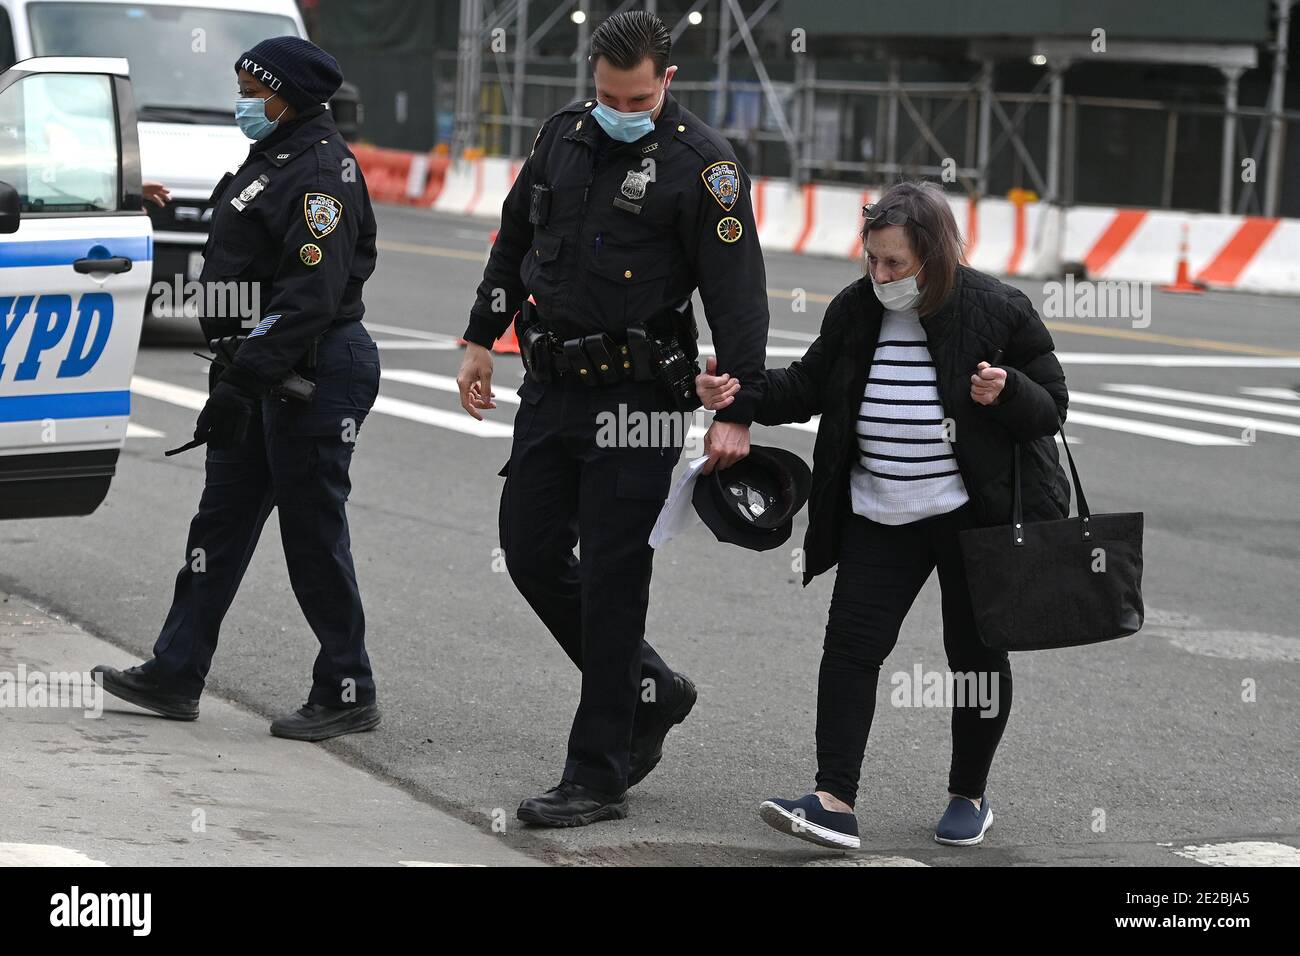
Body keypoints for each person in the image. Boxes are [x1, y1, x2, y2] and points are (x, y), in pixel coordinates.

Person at [456, 10, 768, 826]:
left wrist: (739, 408)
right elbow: (514, 237)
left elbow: (738, 300)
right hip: (553, 389)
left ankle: (597, 773)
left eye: (634, 96)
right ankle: (650, 689)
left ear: (668, 81)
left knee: (613, 580)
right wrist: (480, 336)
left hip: (638, 402)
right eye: (605, 93)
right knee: (527, 550)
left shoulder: (706, 167)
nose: (617, 108)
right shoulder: (563, 134)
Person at [697, 180, 1071, 849]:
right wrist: (736, 394)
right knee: (849, 650)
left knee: (976, 655)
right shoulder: (856, 310)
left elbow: (1052, 407)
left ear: (934, 254)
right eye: (872, 259)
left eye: (895, 263)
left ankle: (969, 795)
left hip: (967, 514)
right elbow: (805, 387)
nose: (881, 274)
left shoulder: (997, 309)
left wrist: (1009, 389)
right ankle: (833, 800)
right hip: (879, 511)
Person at [93, 36, 382, 742]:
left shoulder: (321, 175)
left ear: (292, 96)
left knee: (311, 531)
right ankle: (175, 671)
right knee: (218, 526)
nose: (244, 102)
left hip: (312, 370)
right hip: (257, 366)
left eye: (256, 91)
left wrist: (243, 377)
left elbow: (309, 298)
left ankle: (348, 686)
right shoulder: (273, 157)